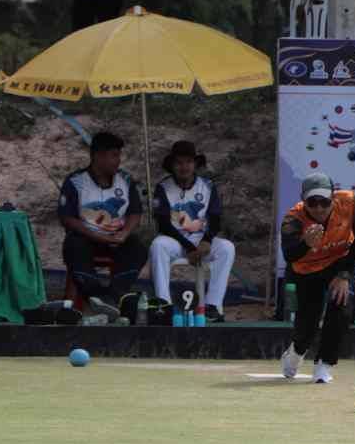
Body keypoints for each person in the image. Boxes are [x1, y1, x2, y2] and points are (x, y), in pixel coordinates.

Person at [279, 173, 355, 383]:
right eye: (312, 202)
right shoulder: (293, 220)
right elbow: (289, 255)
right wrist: (305, 244)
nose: (319, 208)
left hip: (338, 263)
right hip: (306, 271)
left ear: (333, 198)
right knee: (307, 325)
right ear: (303, 201)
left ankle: (324, 365)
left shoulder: (350, 203)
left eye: (324, 202)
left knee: (341, 307)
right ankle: (295, 353)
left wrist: (345, 274)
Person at [59, 131, 148, 315]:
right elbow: (67, 219)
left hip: (117, 238)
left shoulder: (126, 180)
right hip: (86, 237)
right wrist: (96, 236)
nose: (118, 160)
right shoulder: (75, 181)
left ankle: (112, 296)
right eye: (114, 155)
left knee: (138, 247)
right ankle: (95, 296)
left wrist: (124, 233)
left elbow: (135, 212)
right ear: (98, 155)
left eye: (119, 155)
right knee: (73, 246)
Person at [149, 141, 235, 322]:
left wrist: (207, 240)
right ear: (172, 165)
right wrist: (188, 247)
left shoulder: (208, 186)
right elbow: (163, 224)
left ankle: (213, 306)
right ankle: (163, 305)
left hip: (201, 240)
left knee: (227, 248)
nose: (184, 167)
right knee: (157, 245)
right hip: (175, 240)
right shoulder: (162, 188)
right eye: (179, 162)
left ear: (195, 164)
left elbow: (215, 218)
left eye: (188, 162)